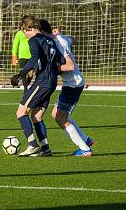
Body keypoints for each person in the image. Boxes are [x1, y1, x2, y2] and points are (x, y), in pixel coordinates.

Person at [39, 19, 93, 156]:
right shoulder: (59, 38)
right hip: (73, 83)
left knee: (60, 118)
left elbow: (70, 66)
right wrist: (62, 35)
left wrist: (51, 68)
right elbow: (75, 40)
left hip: (73, 84)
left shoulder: (57, 43)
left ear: (44, 32)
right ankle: (86, 140)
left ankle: (85, 149)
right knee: (56, 114)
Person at [11, 16, 64, 157]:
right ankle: (45, 148)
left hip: (42, 82)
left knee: (21, 112)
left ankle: (32, 145)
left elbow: (34, 58)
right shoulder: (51, 41)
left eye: (25, 31)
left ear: (30, 29)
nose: (25, 35)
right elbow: (61, 60)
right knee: (36, 115)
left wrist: (20, 74)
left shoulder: (34, 40)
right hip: (52, 82)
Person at [11, 25, 32, 92]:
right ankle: (25, 89)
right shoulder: (19, 33)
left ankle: (17, 78)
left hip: (32, 56)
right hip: (22, 56)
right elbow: (15, 45)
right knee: (24, 73)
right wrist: (14, 56)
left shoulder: (31, 33)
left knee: (31, 74)